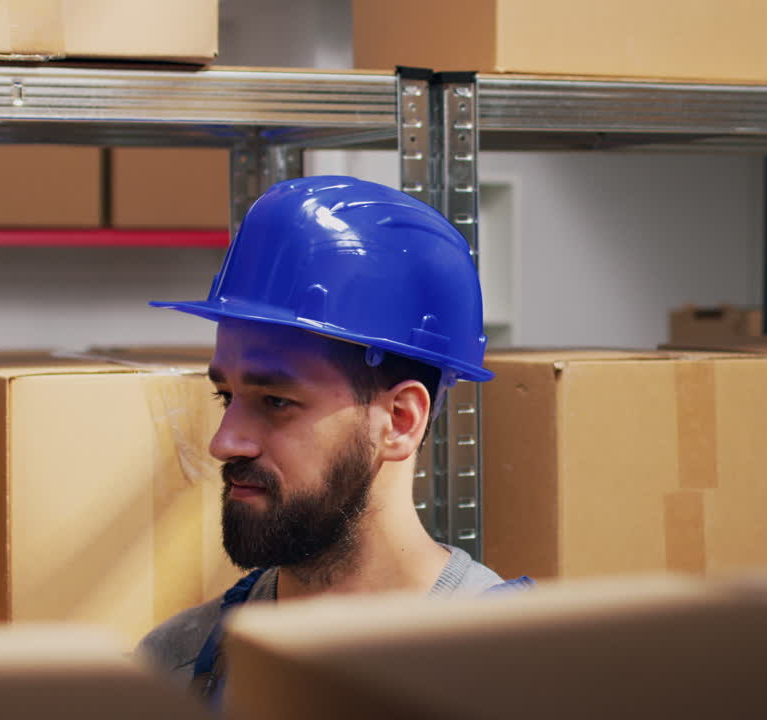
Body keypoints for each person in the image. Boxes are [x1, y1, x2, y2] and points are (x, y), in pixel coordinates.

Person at [140, 175, 505, 699]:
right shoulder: (175, 666)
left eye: (277, 402)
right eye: (226, 397)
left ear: (400, 421)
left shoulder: (515, 678)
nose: (224, 443)